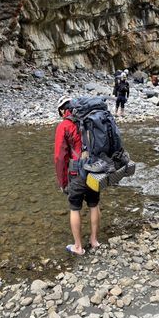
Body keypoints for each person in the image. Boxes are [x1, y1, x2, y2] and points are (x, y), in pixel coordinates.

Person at [54, 96, 101, 255]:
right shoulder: (90, 120)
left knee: (75, 208)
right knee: (94, 204)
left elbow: (60, 157)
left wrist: (62, 181)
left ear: (63, 110)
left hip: (77, 172)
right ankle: (94, 241)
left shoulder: (64, 125)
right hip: (94, 168)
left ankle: (78, 247)